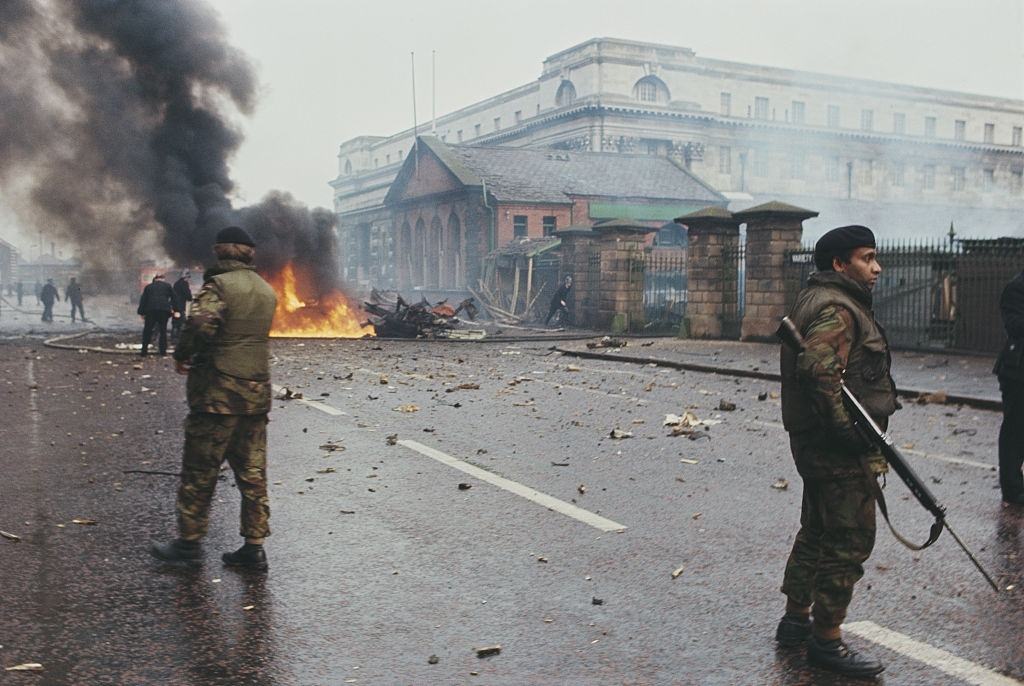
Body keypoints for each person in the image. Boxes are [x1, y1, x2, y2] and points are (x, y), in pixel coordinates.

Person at [776, 225, 895, 679]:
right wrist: (851, 437)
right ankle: (826, 641)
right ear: (840, 265)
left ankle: (794, 621)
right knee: (847, 540)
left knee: (817, 529)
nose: (876, 267)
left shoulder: (818, 300)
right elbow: (821, 374)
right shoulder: (837, 309)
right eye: (867, 258)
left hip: (815, 442)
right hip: (836, 448)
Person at [150, 226, 277, 571]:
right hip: (256, 393)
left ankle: (188, 546)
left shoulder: (218, 286)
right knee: (252, 473)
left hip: (217, 396)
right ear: (249, 254)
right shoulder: (267, 290)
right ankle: (254, 547)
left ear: (220, 252)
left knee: (200, 470)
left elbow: (201, 325)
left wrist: (182, 354)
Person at [994, 271, 1024, 506]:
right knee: (1015, 430)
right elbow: (1014, 326)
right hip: (1017, 371)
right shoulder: (1015, 287)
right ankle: (1012, 489)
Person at [137, 274, 176, 356]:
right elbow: (174, 298)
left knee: (147, 331)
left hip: (151, 311)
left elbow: (143, 300)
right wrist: (174, 309)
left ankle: (144, 351)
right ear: (163, 279)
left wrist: (141, 312)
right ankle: (163, 352)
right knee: (163, 331)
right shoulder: (168, 286)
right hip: (163, 311)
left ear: (155, 279)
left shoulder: (148, 287)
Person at [171, 271, 193, 341]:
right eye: (188, 277)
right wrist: (190, 298)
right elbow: (188, 295)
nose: (188, 279)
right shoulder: (184, 284)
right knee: (182, 322)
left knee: (175, 322)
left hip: (174, 305)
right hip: (180, 306)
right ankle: (179, 338)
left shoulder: (176, 283)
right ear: (185, 277)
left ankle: (173, 337)